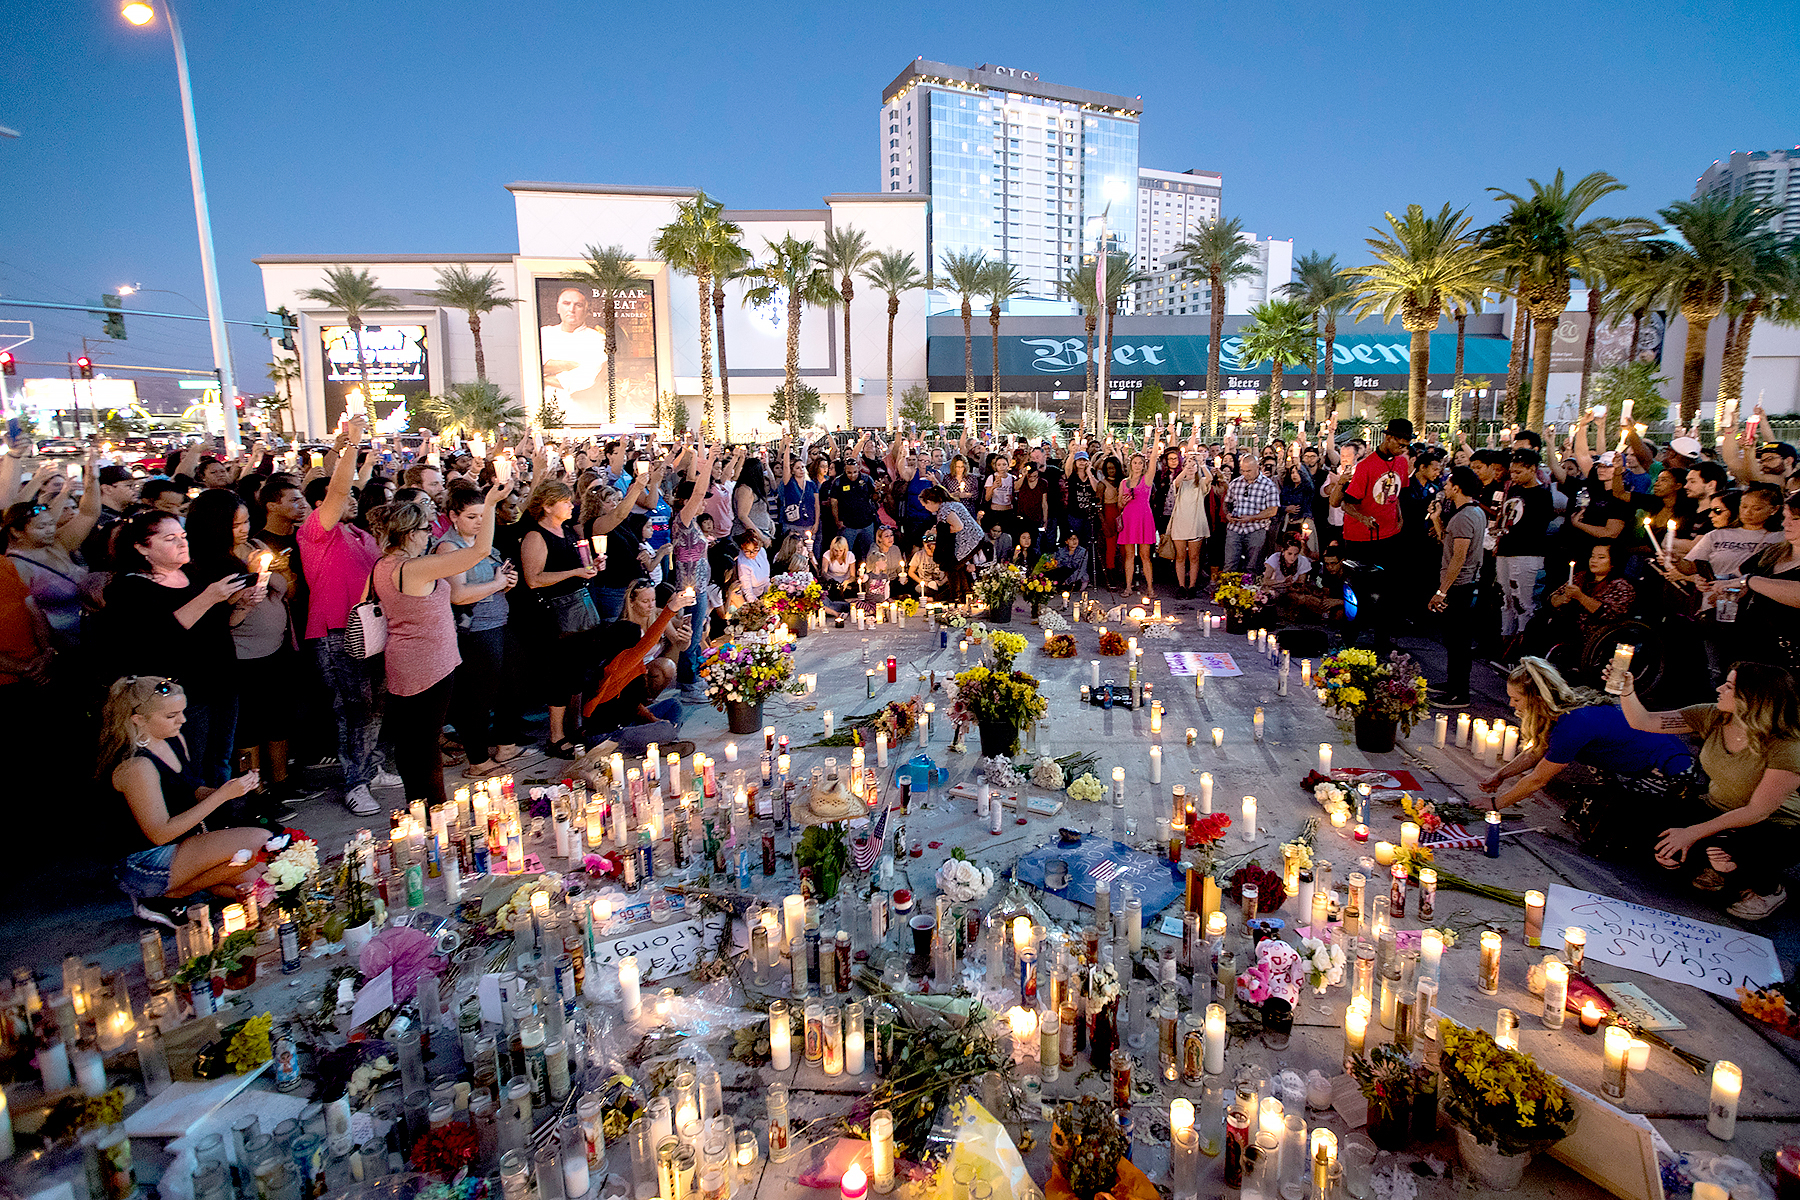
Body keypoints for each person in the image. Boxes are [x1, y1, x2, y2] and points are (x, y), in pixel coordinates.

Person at [1613, 661, 1800, 920]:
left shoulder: (1787, 746)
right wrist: (1626, 690)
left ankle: (1767, 889)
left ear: (1753, 698)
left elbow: (1757, 811)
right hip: (1716, 808)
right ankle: (1713, 864)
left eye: (1730, 686)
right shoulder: (1713, 715)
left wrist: (1691, 834)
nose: (1720, 688)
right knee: (1647, 821)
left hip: (1774, 825)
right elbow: (1643, 721)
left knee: (1732, 851)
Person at [373, 481, 510, 807]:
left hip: (409, 662)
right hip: (426, 666)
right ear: (409, 534)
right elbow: (478, 551)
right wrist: (490, 504)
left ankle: (417, 806)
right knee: (423, 744)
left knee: (412, 742)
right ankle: (433, 809)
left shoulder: (383, 564)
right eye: (424, 529)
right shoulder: (413, 568)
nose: (429, 535)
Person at [102, 508, 252, 789]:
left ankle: (224, 818)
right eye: (170, 538)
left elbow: (218, 627)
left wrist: (243, 605)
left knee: (221, 757)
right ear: (141, 547)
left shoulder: (193, 574)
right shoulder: (130, 589)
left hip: (221, 681)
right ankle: (195, 825)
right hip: (183, 692)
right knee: (189, 764)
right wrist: (208, 598)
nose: (182, 543)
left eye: (183, 536)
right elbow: (157, 640)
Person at [101, 676, 268, 927]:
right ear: (139, 720)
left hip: (183, 846)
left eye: (181, 712)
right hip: (145, 862)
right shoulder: (137, 766)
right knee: (260, 842)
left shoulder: (172, 738)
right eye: (171, 716)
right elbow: (159, 833)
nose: (183, 720)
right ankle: (168, 895)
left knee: (259, 881)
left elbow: (192, 790)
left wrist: (233, 789)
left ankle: (195, 888)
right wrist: (223, 796)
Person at [1479, 658, 1694, 852]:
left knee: (1626, 827)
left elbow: (1538, 779)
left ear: (1537, 698)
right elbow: (1539, 749)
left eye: (1516, 699)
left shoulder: (1572, 725)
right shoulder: (1561, 710)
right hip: (1637, 763)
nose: (1511, 704)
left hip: (1669, 770)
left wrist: (1496, 804)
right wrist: (1501, 775)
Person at [298, 415, 392, 814]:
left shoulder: (363, 535)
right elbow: (337, 492)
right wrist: (351, 445)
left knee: (374, 705)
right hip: (335, 632)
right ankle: (354, 782)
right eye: (346, 497)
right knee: (352, 707)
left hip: (371, 630)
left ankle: (370, 766)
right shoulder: (315, 531)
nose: (354, 499)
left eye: (356, 496)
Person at [436, 483, 523, 778]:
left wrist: (506, 582)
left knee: (510, 685)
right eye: (472, 517)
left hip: (499, 621)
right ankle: (477, 760)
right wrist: (497, 585)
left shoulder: (482, 541)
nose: (478, 523)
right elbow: (458, 594)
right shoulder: (450, 547)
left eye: (482, 517)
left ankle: (504, 745)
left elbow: (492, 577)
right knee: (478, 697)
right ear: (453, 516)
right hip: (475, 631)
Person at [581, 581, 694, 755]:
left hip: (628, 722)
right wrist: (671, 608)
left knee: (674, 705)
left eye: (653, 600)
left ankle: (661, 742)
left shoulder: (634, 665)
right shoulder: (618, 665)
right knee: (665, 728)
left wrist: (652, 720)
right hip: (606, 737)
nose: (651, 605)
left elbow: (633, 705)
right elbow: (647, 643)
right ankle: (662, 741)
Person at [1427, 466, 1486, 707]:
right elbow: (1449, 544)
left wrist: (1442, 591)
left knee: (1458, 642)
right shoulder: (1475, 513)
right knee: (1454, 641)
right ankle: (1453, 683)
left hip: (1459, 586)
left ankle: (1459, 692)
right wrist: (1436, 520)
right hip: (1463, 584)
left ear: (1458, 487)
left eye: (1449, 483)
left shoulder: (1464, 517)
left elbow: (1458, 558)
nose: (1445, 486)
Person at [1495, 449, 1553, 654]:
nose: (1514, 476)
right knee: (1507, 598)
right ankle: (1506, 638)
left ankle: (1523, 642)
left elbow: (1538, 526)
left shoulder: (1542, 494)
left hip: (1527, 553)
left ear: (1532, 469)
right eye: (1513, 472)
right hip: (1506, 550)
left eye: (1519, 472)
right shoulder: (1514, 490)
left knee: (1524, 600)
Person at [540, 287, 608, 403]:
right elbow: (531, 366)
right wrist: (570, 365)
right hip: (544, 406)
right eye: (566, 303)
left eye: (578, 305)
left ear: (586, 310)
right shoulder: (543, 333)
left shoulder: (597, 339)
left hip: (580, 410)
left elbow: (585, 378)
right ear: (558, 308)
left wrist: (542, 376)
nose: (571, 309)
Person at [918, 485, 981, 601]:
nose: (925, 508)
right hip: (972, 538)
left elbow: (958, 526)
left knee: (952, 566)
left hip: (970, 540)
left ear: (930, 502)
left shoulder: (945, 509)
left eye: (925, 505)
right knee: (957, 566)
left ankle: (956, 597)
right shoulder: (948, 505)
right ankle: (963, 595)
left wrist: (938, 531)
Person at [1223, 452, 1279, 574]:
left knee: (1253, 566)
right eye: (1243, 470)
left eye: (1248, 471)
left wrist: (1252, 518)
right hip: (1235, 528)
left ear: (1258, 467)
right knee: (1230, 564)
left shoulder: (1269, 486)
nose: (1245, 474)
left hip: (1256, 529)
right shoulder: (1236, 483)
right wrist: (1227, 514)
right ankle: (1227, 589)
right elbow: (1226, 502)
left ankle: (1251, 590)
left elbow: (1273, 510)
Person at [1167, 452, 1210, 598]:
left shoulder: (1201, 482)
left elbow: (1209, 478)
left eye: (1193, 465)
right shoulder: (1180, 483)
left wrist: (1201, 463)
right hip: (1180, 522)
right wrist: (1187, 465)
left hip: (1195, 523)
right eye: (1188, 465)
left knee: (1194, 557)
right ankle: (1181, 585)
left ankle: (1192, 585)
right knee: (1180, 556)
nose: (1191, 467)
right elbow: (1176, 482)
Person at [827, 455, 880, 559]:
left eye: (855, 472)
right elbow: (834, 503)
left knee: (869, 554)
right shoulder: (838, 482)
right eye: (849, 472)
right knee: (844, 554)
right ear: (845, 470)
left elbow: (875, 498)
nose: (852, 475)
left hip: (866, 523)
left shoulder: (866, 479)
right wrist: (837, 520)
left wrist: (877, 491)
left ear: (859, 469)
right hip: (847, 524)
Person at [733, 529, 771, 602]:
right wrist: (756, 604)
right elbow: (747, 590)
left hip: (766, 590)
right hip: (754, 596)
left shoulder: (762, 551)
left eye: (755, 550)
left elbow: (766, 578)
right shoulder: (743, 563)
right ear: (742, 547)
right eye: (747, 551)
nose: (752, 554)